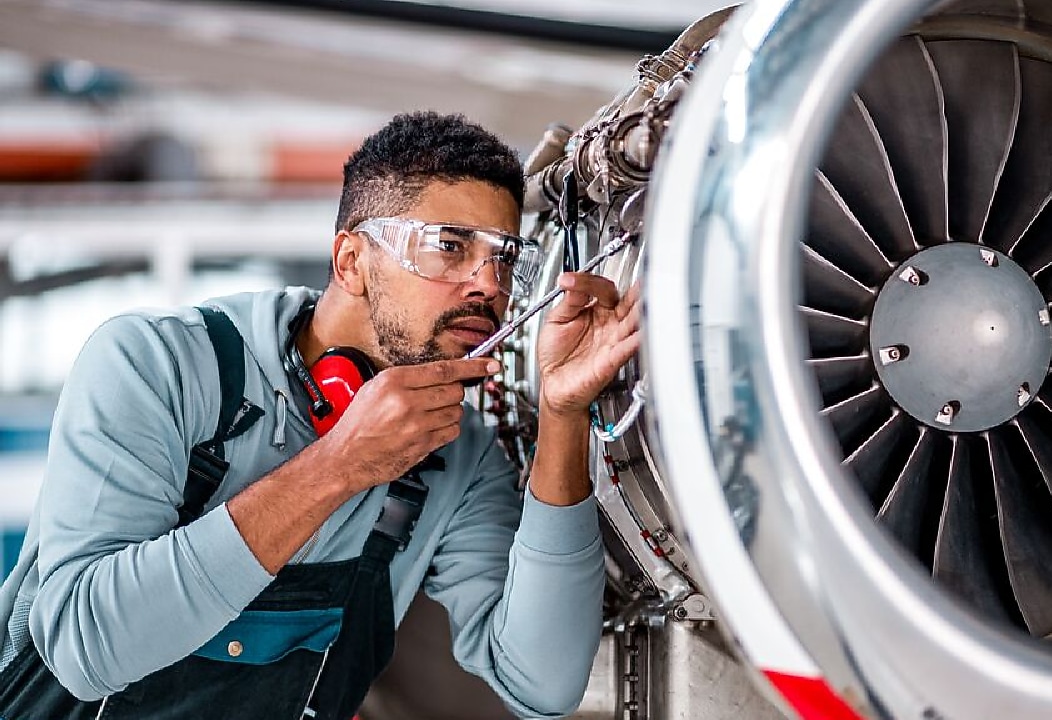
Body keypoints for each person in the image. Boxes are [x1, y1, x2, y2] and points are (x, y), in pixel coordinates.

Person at [0, 111, 639, 719]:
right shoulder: (154, 364)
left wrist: (563, 414)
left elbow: (542, 684)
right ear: (350, 262)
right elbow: (85, 650)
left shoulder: (455, 453)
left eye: (504, 258)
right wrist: (339, 466)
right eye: (450, 246)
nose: (489, 285)